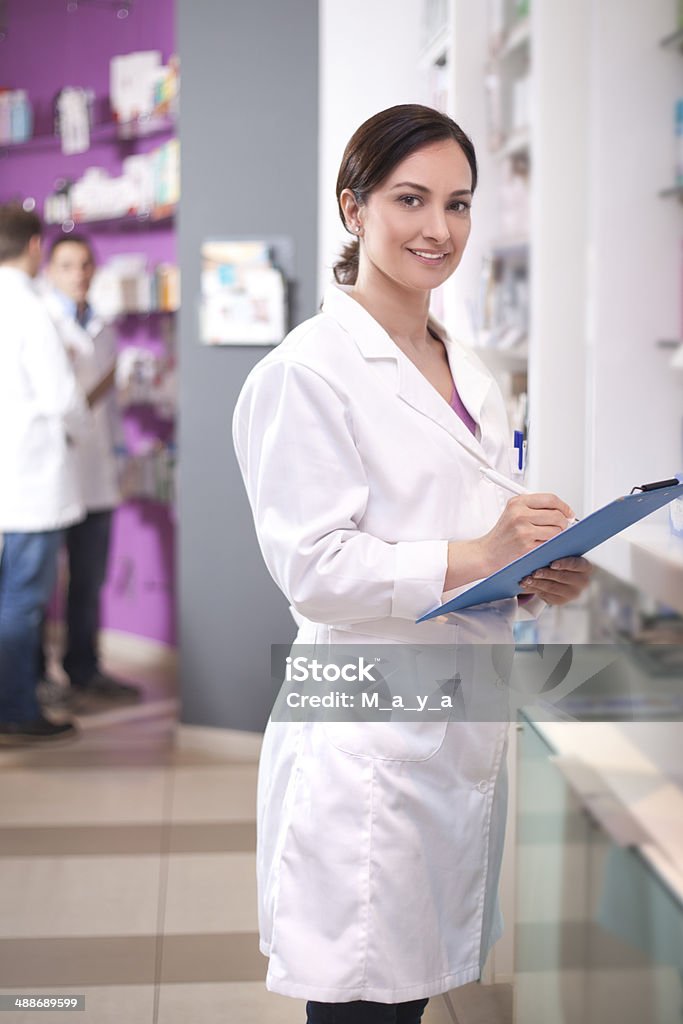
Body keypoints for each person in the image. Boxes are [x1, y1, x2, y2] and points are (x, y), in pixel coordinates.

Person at [232, 105, 592, 1023]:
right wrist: (481, 553)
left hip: (456, 724)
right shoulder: (307, 371)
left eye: (460, 204)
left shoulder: (471, 369)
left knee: (413, 993)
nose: (439, 229)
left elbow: (479, 532)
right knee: (362, 1004)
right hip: (368, 743)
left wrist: (537, 568)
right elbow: (313, 568)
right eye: (410, 199)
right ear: (353, 208)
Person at [0, 204, 89, 744]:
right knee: (23, 602)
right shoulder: (29, 309)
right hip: (30, 483)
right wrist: (81, 424)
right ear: (35, 247)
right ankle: (16, 710)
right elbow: (62, 398)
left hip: (8, 479)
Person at [40, 234, 140, 707]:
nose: (78, 274)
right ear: (49, 271)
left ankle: (83, 670)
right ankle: (37, 679)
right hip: (51, 475)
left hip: (96, 475)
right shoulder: (44, 325)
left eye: (84, 265)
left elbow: (111, 412)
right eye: (66, 265)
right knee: (40, 586)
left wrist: (118, 457)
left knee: (88, 581)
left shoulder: (103, 327)